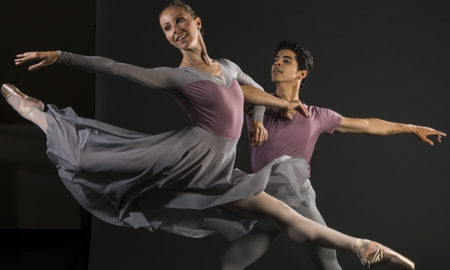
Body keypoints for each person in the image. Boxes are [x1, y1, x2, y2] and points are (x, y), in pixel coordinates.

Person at [3, 1, 414, 269]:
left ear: (196, 22)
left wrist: (258, 114)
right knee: (92, 156)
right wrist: (64, 56)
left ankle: (361, 245)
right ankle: (35, 112)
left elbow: (255, 91)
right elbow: (115, 67)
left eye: (179, 21)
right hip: (188, 156)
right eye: (166, 28)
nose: (174, 30)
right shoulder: (177, 76)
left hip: (221, 171)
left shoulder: (228, 67)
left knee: (284, 216)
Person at [218, 40, 445, 270]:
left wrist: (411, 127)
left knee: (327, 262)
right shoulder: (258, 105)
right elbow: (230, 89)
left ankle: (367, 249)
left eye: (286, 60)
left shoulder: (316, 116)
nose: (277, 63)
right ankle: (366, 247)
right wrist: (269, 110)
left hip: (298, 196)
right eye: (276, 59)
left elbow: (367, 125)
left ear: (301, 73)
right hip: (264, 198)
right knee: (231, 262)